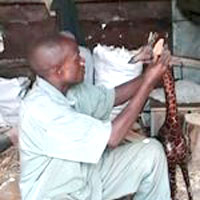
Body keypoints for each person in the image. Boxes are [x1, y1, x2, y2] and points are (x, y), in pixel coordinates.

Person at [19, 32, 171, 200]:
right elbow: (113, 137)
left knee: (151, 153)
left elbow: (112, 97)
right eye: (77, 59)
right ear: (59, 71)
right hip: (58, 193)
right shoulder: (42, 111)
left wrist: (148, 74)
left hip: (88, 177)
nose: (83, 62)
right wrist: (148, 84)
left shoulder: (69, 89)